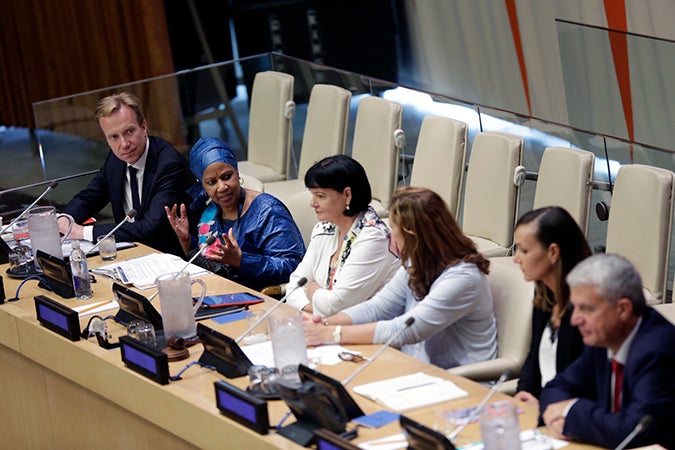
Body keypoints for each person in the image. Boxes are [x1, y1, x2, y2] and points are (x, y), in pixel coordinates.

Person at [303, 186, 497, 369]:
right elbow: (377, 308)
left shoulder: (463, 278)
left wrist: (331, 334)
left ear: (411, 234)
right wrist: (325, 324)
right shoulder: (417, 262)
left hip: (463, 383)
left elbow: (408, 328)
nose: (390, 234)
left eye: (393, 227)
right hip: (415, 370)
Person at [540, 253, 675, 449]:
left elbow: (634, 430)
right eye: (575, 308)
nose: (575, 319)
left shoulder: (658, 348)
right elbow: (557, 386)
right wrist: (559, 416)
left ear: (623, 309)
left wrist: (571, 411)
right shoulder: (604, 337)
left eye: (586, 309)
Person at [60, 92, 195, 255]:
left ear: (144, 127)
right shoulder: (116, 160)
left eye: (129, 131)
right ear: (107, 140)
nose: (124, 144)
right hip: (129, 254)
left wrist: (82, 233)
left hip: (169, 257)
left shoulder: (169, 165)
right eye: (114, 137)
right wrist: (64, 220)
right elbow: (88, 198)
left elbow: (151, 228)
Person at [165, 137, 305, 291]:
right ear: (204, 187)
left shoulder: (268, 210)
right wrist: (186, 240)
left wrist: (242, 260)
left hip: (260, 298)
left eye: (226, 177)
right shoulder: (211, 212)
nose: (222, 187)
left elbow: (293, 266)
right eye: (212, 182)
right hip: (218, 292)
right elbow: (209, 264)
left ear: (237, 173)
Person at [285, 155, 400, 317]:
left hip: (368, 334)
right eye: (313, 195)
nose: (312, 203)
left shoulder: (374, 238)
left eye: (320, 196)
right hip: (322, 324)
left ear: (347, 195)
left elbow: (337, 306)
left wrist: (313, 290)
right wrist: (316, 307)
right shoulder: (324, 228)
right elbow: (293, 287)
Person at [512, 207, 590, 408]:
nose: (516, 258)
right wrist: (524, 392)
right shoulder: (545, 297)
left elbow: (587, 383)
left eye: (524, 250)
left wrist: (545, 404)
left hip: (570, 417)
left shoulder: (588, 311)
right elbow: (533, 356)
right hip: (541, 411)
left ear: (553, 252)